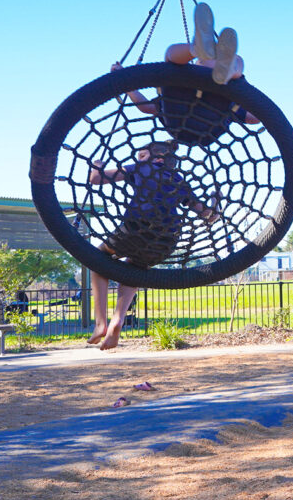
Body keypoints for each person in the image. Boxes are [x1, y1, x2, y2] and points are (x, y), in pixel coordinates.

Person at [86, 141, 218, 350]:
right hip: (165, 241)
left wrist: (97, 165)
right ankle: (117, 321)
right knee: (135, 269)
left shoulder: (139, 168)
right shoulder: (178, 180)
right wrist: (214, 203)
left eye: (141, 155)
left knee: (98, 259)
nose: (139, 158)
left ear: (155, 157)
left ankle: (101, 323)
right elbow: (207, 215)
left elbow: (96, 179)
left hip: (137, 229)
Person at [112, 2, 259, 147]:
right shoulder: (229, 97)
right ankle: (231, 71)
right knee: (238, 63)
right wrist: (248, 93)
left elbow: (147, 107)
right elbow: (254, 118)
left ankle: (195, 50)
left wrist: (125, 82)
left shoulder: (182, 81)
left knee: (170, 58)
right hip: (210, 124)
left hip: (179, 121)